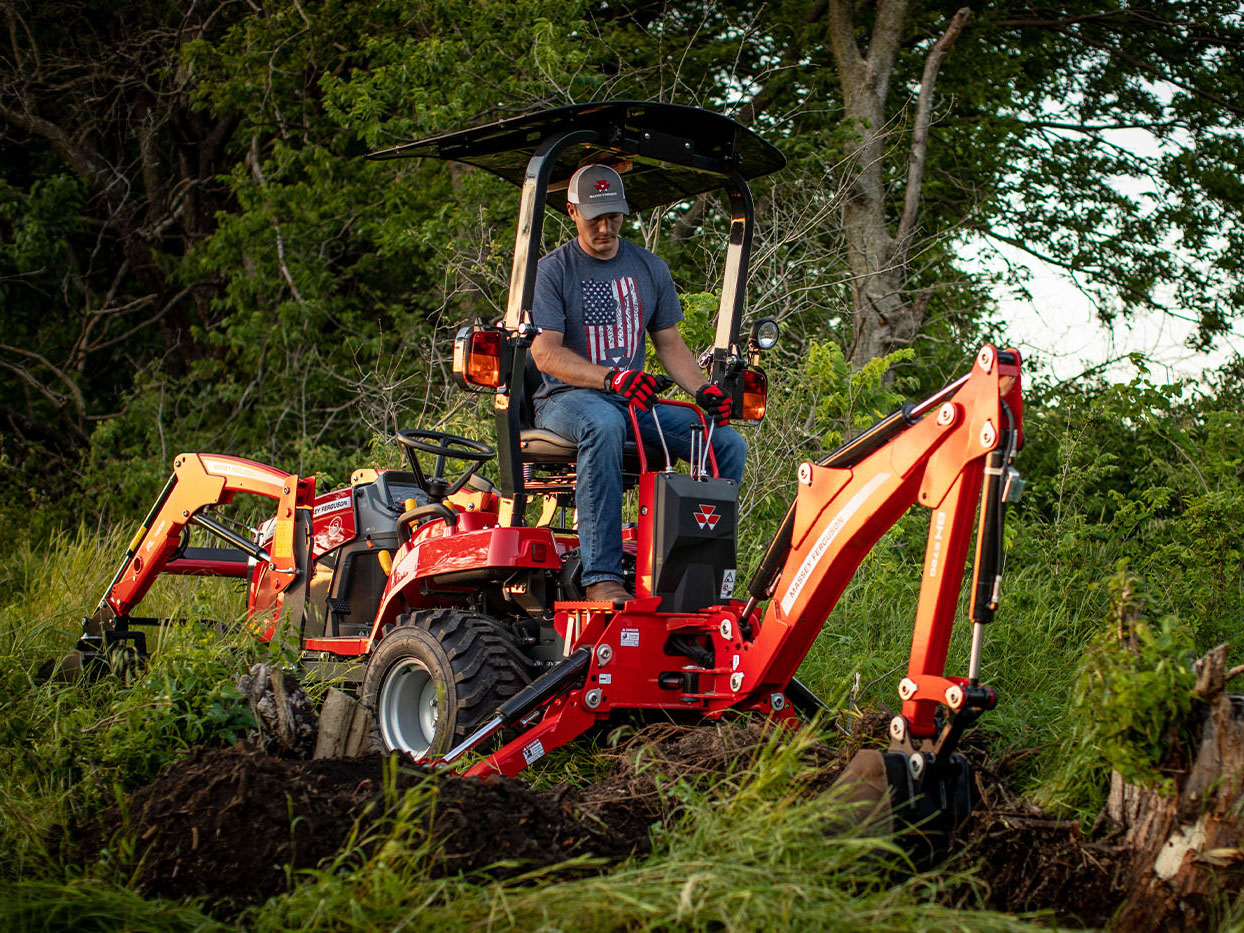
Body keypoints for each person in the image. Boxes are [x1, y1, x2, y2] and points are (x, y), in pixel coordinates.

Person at [529, 163, 746, 603]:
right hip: (567, 401)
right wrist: (612, 377)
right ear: (572, 212)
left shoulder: (649, 268)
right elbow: (545, 353)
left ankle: (697, 571)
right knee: (602, 426)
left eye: (614, 216)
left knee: (725, 443)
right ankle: (601, 575)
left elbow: (669, 343)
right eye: (595, 217)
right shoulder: (553, 271)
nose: (606, 227)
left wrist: (704, 391)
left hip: (630, 403)